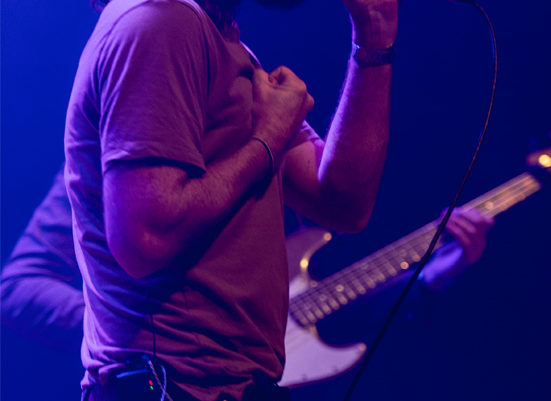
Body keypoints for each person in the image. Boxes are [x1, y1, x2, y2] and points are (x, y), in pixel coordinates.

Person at [62, 0, 402, 399]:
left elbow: (342, 203)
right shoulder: (162, 21)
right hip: (171, 386)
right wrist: (269, 137)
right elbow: (147, 238)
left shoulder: (225, 44)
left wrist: (374, 35)